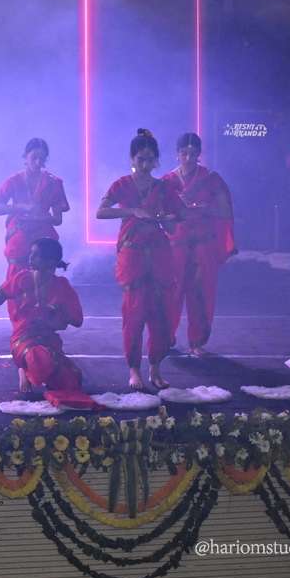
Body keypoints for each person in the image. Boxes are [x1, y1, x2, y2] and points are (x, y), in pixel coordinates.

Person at [97, 129, 187, 392]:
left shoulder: (163, 188)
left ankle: (155, 367)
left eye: (150, 160)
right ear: (132, 159)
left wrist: (167, 219)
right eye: (140, 159)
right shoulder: (122, 185)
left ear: (156, 160)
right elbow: (101, 212)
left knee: (161, 314)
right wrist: (132, 211)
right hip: (132, 255)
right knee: (134, 314)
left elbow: (178, 218)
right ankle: (134, 369)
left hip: (159, 255)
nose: (145, 165)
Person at [161, 132, 236, 356]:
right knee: (171, 292)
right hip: (176, 245)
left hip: (203, 245)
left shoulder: (211, 179)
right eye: (184, 153)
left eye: (193, 154)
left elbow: (225, 211)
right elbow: (160, 214)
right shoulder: (167, 182)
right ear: (177, 154)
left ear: (199, 154)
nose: (188, 158)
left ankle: (197, 342)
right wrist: (177, 212)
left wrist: (204, 209)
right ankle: (166, 336)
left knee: (201, 293)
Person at [0, 237, 85, 397]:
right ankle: (24, 369)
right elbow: (3, 294)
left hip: (49, 340)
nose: (30, 258)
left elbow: (77, 320)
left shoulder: (62, 286)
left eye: (35, 255)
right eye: (31, 254)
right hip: (24, 338)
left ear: (50, 262)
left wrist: (58, 313)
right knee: (38, 358)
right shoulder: (23, 278)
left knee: (72, 381)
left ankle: (46, 372)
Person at [0, 138, 69, 286]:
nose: (38, 162)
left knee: (44, 274)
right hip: (20, 232)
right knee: (17, 277)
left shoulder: (53, 183)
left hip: (43, 234)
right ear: (25, 157)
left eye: (42, 159)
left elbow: (58, 219)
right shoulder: (13, 181)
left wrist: (41, 218)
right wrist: (21, 207)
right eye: (34, 158)